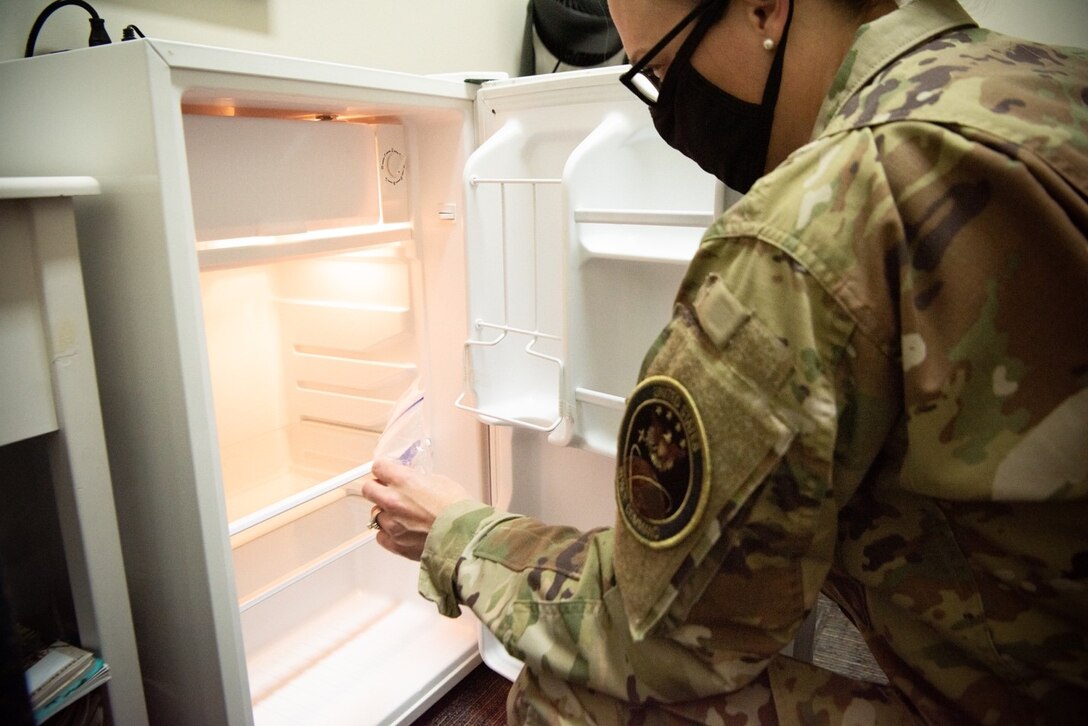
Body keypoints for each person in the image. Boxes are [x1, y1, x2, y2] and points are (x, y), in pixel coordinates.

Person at [363, 0, 1088, 722]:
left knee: (572, 696)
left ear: (765, 10)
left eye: (664, 68)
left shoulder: (814, 227)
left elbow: (671, 634)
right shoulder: (1045, 83)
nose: (670, 112)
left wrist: (457, 534)